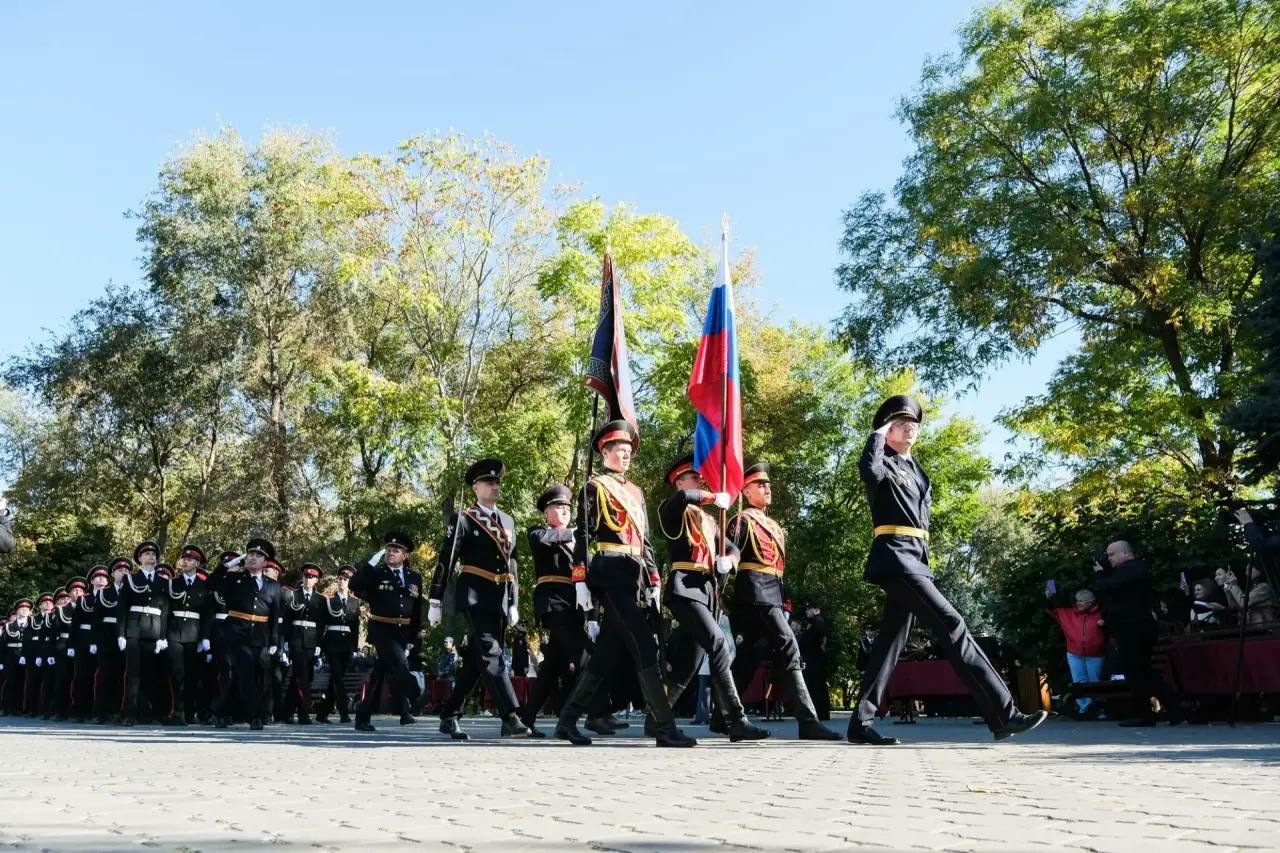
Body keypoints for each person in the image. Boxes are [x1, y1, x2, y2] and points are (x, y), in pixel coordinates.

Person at [850, 395, 1046, 745]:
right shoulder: (883, 464)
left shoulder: (914, 467)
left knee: (890, 643)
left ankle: (860, 724)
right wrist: (876, 438)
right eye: (899, 424)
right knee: (952, 624)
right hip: (897, 558)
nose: (909, 428)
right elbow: (869, 471)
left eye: (913, 424)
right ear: (885, 430)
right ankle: (1004, 714)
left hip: (916, 560)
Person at [553, 420, 695, 747]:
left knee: (605, 654)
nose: (626, 454)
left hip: (633, 577)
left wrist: (654, 579)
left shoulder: (635, 493)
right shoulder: (595, 486)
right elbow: (584, 534)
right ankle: (663, 727)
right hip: (609, 572)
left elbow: (644, 541)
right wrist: (579, 579)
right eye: (619, 449)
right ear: (604, 453)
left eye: (629, 450)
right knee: (645, 644)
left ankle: (567, 719)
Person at [654, 453, 769, 742]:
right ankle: (736, 720)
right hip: (685, 588)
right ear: (679, 482)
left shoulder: (708, 520)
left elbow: (732, 548)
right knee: (719, 644)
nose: (701, 480)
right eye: (694, 477)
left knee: (690, 664)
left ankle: (656, 719)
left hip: (707, 591)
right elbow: (683, 500)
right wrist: (709, 495)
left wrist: (729, 559)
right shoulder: (672, 508)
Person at [726, 463, 842, 740]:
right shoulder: (740, 520)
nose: (767, 489)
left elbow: (779, 567)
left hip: (773, 595)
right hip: (753, 593)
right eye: (760, 485)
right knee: (789, 645)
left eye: (768, 485)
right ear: (745, 490)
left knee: (749, 658)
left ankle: (723, 716)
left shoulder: (773, 525)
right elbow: (731, 553)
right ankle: (808, 721)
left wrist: (786, 600)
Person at [429, 459, 530, 740]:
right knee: (492, 653)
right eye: (489, 482)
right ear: (475, 487)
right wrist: (435, 600)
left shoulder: (508, 521)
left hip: (499, 596)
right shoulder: (463, 519)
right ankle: (511, 716)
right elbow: (446, 560)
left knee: (477, 661)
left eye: (497, 482)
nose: (495, 486)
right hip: (474, 593)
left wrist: (513, 602)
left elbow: (513, 565)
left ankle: (450, 715)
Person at [1093, 540, 1184, 726]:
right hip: (1130, 628)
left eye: (1111, 554)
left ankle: (1148, 713)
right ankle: (1172, 709)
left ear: (1125, 553)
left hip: (1135, 628)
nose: (1108, 558)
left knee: (1136, 670)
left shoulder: (1133, 569)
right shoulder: (1125, 571)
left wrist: (1100, 574)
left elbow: (1109, 587)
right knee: (1140, 670)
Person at [350, 530, 424, 732]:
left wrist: (413, 636)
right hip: (382, 629)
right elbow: (354, 584)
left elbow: (417, 609)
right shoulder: (377, 572)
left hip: (403, 631)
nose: (392, 552)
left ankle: (363, 716)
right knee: (400, 664)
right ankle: (414, 691)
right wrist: (370, 564)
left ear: (405, 555)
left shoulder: (414, 577)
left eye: (397, 550)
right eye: (389, 549)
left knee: (380, 674)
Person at [209, 538, 283, 730]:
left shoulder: (273, 585)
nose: (253, 558)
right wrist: (231, 563)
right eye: (250, 554)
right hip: (236, 632)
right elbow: (211, 582)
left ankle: (220, 711)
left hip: (260, 634)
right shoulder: (234, 578)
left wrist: (274, 639)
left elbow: (274, 614)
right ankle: (255, 716)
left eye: (258, 555)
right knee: (246, 672)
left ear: (265, 562)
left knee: (245, 675)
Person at [118, 542, 170, 726]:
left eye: (153, 554)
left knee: (150, 674)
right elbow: (122, 607)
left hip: (153, 631)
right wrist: (121, 634)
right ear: (139, 558)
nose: (151, 556)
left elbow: (165, 611)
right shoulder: (131, 579)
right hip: (133, 630)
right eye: (147, 554)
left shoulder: (164, 582)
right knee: (132, 675)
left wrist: (162, 636)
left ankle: (147, 713)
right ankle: (129, 714)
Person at [164, 545, 210, 725]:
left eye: (190, 559)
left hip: (194, 633)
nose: (186, 561)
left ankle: (190, 712)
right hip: (174, 632)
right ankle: (178, 711)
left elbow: (207, 614)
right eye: (184, 559)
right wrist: (163, 635)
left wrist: (205, 637)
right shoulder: (173, 583)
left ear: (197, 563)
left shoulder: (204, 585)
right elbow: (166, 610)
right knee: (177, 673)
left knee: (192, 675)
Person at [1045, 588, 1106, 716]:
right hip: (1075, 654)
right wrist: (1049, 597)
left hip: (1095, 654)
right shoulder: (1068, 614)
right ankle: (1085, 708)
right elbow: (1051, 611)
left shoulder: (1102, 614)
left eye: (1081, 601)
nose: (1078, 603)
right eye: (1077, 601)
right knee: (1079, 682)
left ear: (1091, 603)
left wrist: (1105, 625)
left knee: (1095, 682)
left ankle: (1098, 708)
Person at [317, 566, 359, 724]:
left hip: (346, 644)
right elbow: (321, 624)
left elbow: (355, 626)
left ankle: (322, 712)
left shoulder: (355, 601)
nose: (342, 582)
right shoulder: (329, 600)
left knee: (336, 679)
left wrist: (354, 648)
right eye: (340, 579)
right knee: (338, 679)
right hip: (332, 643)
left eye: (346, 579)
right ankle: (344, 712)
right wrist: (319, 645)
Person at [93, 558, 132, 724]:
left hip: (127, 637)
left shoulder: (134, 591)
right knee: (105, 676)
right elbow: (96, 619)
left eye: (126, 571)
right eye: (119, 570)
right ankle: (101, 712)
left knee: (122, 676)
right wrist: (94, 641)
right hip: (107, 638)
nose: (123, 573)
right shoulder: (104, 593)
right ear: (113, 574)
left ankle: (118, 711)